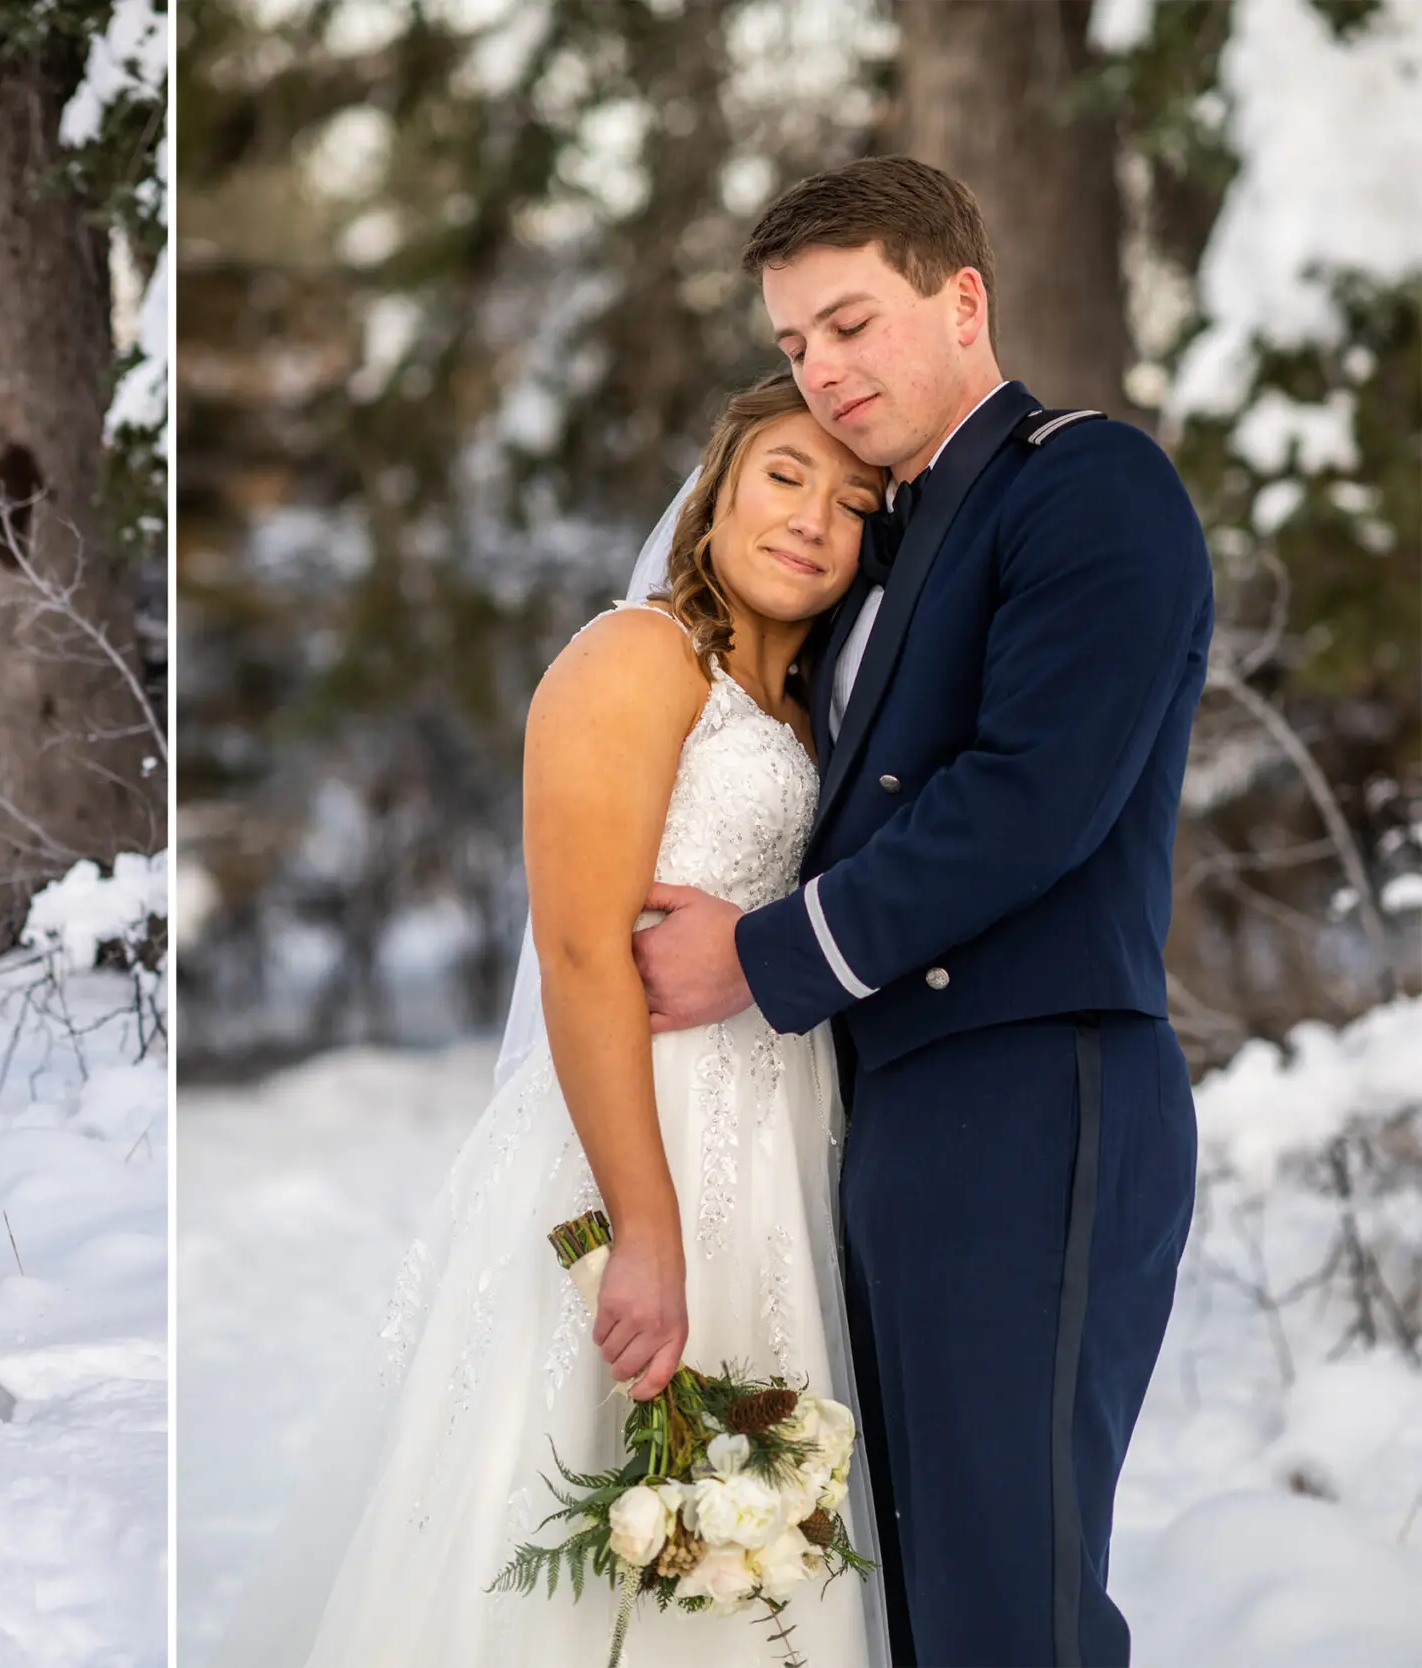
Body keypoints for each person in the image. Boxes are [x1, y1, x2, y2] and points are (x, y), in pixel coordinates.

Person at [634, 156, 1212, 1666]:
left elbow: (1032, 797)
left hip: (1038, 1090)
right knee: (908, 1603)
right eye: (791, 347)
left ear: (963, 299)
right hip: (889, 1115)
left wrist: (756, 961)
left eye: (849, 324)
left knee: (1006, 1602)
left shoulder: (1086, 484)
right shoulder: (876, 543)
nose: (820, 373)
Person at [219, 372, 891, 1667]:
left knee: (745, 1531)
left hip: (785, 1154)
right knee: (567, 1497)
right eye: (785, 477)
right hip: (636, 1138)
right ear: (716, 492)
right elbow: (584, 949)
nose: (814, 518)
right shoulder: (637, 656)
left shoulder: (816, 712)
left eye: (855, 502)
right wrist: (642, 1228)